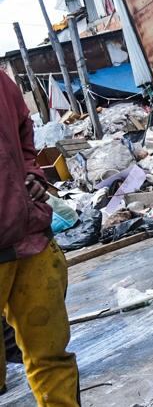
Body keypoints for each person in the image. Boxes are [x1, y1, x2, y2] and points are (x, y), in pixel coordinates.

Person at [0, 71, 80, 403]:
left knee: (50, 358)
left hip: (30, 238)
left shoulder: (2, 83)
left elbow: (23, 134)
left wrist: (31, 172)